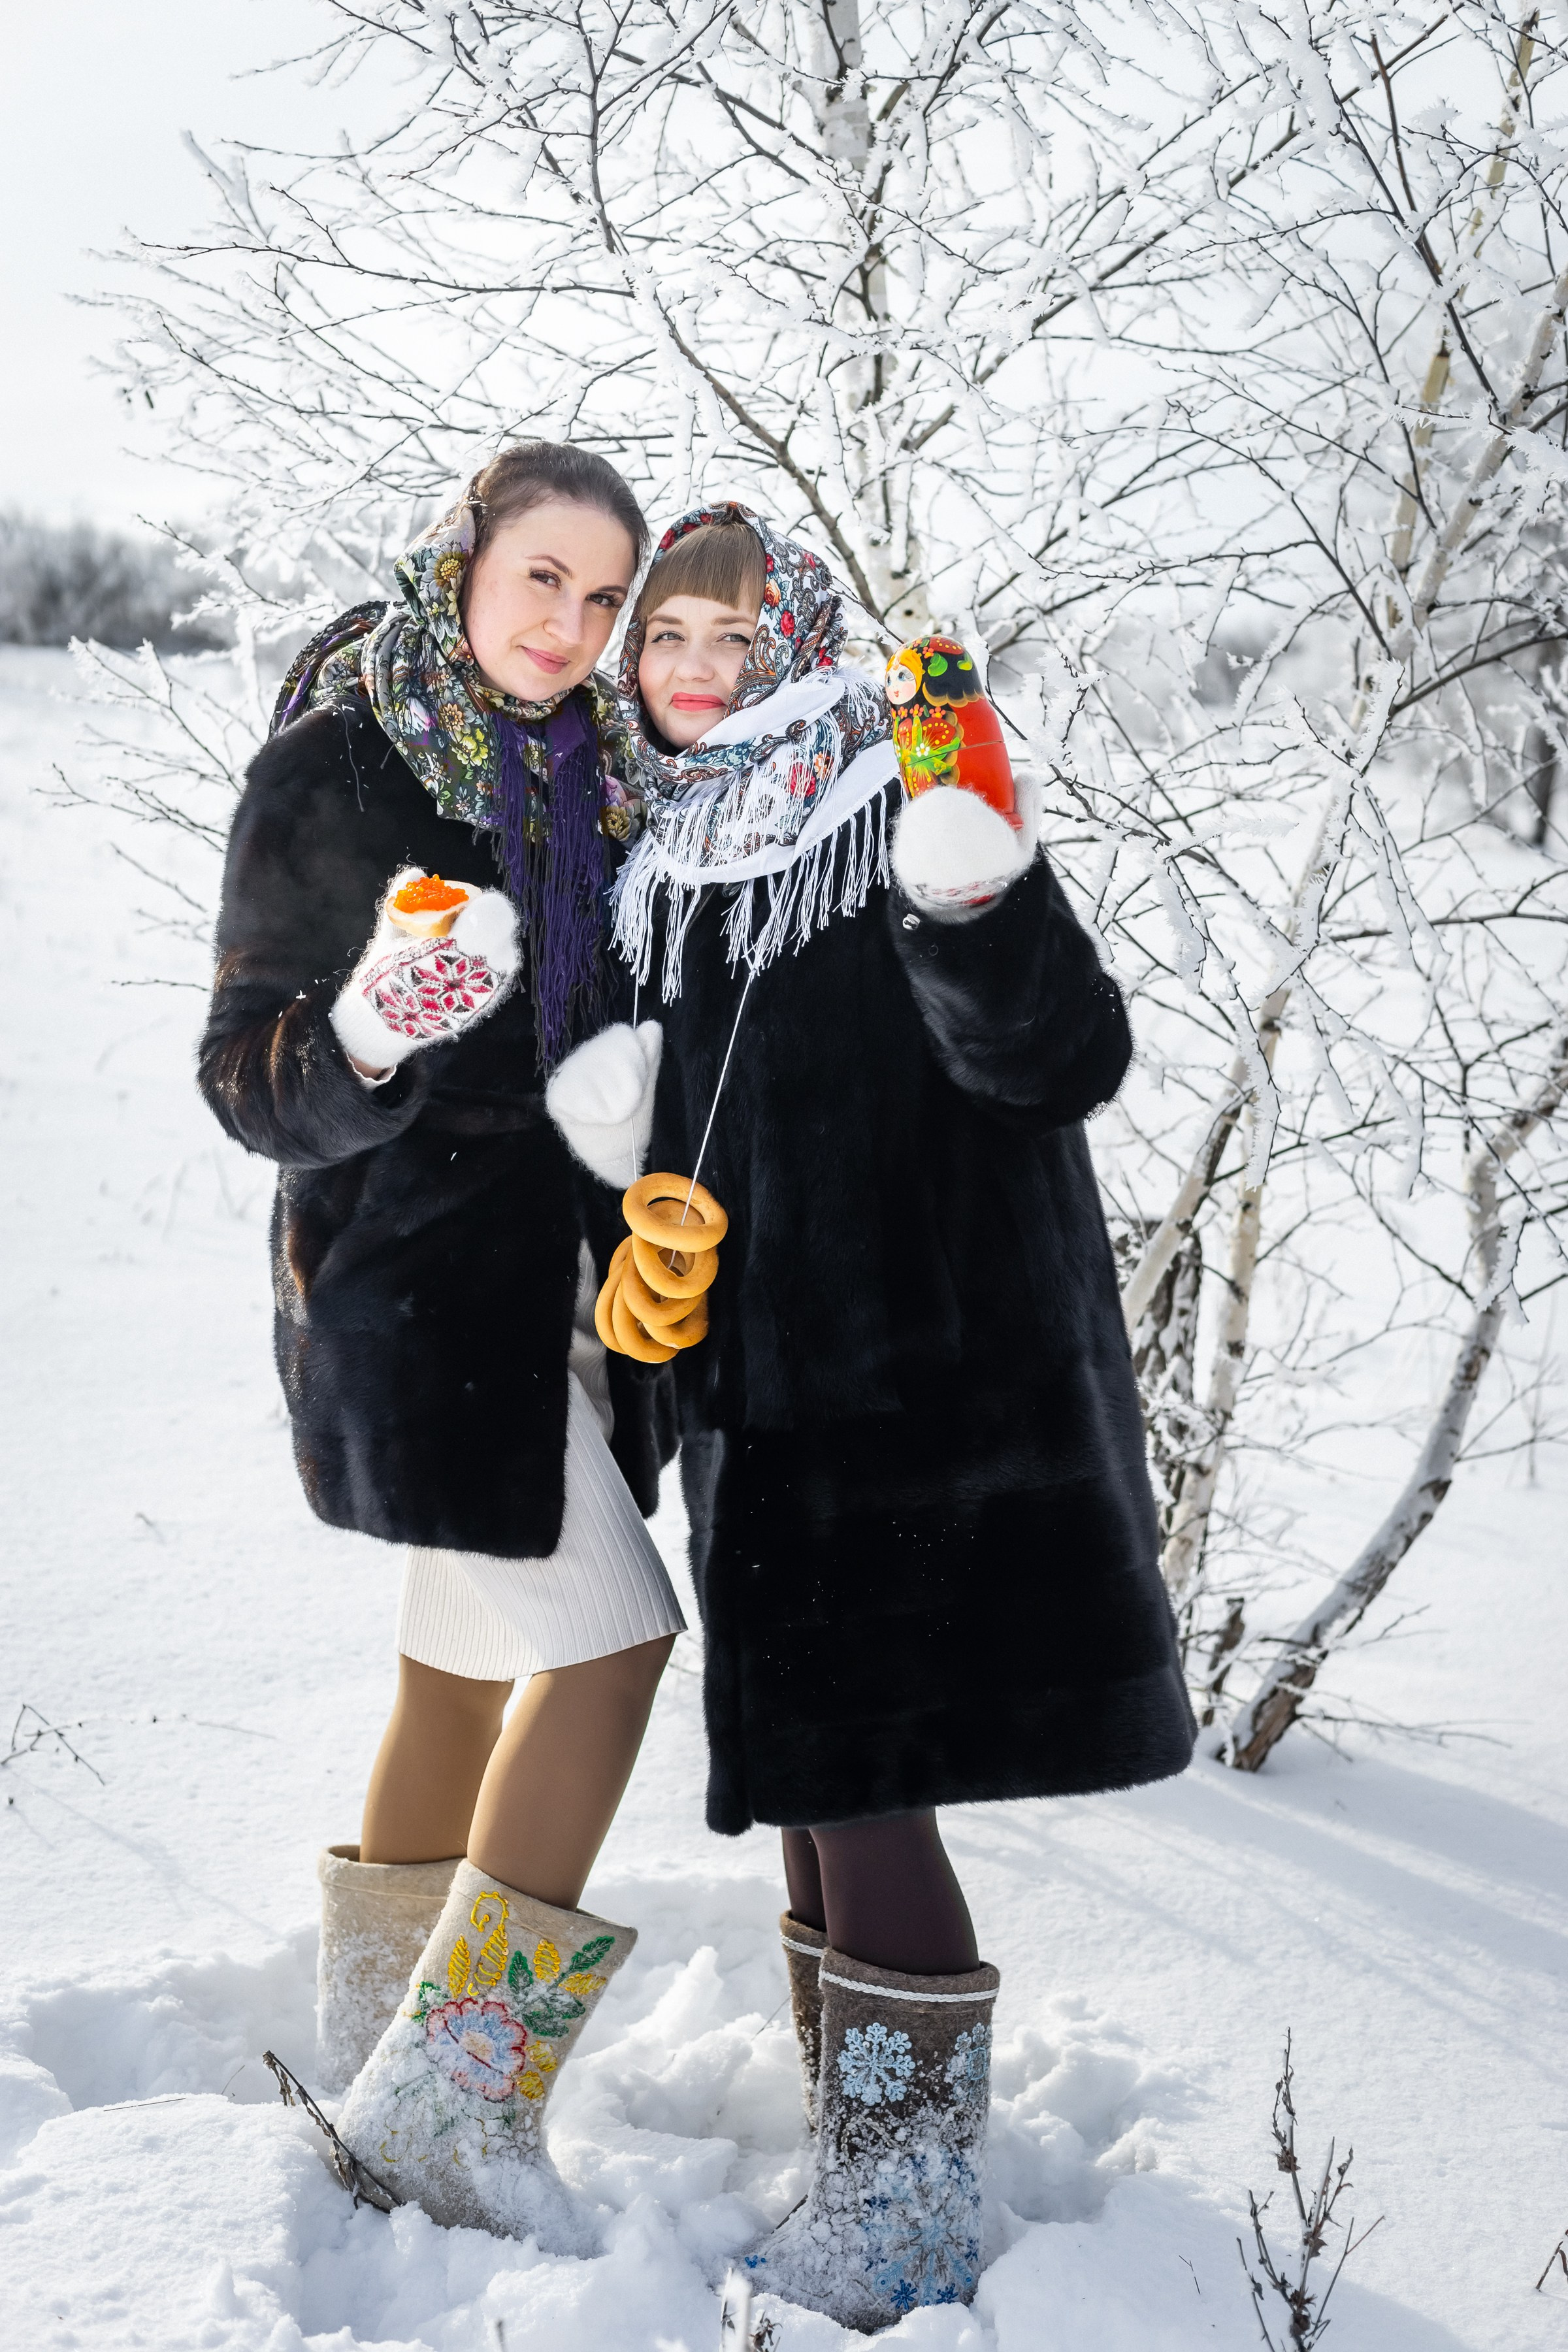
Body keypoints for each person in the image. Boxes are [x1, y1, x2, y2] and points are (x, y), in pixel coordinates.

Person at [591, 503, 1197, 2325]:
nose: (692, 669)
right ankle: (860, 2156)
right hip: (758, 1393)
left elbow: (1058, 1054)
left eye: (725, 632)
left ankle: (907, 2206)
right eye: (663, 639)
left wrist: (973, 899)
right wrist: (644, 1265)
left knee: (869, 1800)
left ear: (795, 638)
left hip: (923, 1392)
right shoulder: (679, 850)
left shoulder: (895, 801)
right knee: (813, 1783)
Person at [197, 442, 684, 2247]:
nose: (569, 625)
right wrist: (369, 1039)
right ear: (467, 561)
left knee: (465, 1671)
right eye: (541, 576)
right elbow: (246, 1078)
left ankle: (368, 2033)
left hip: (557, 1311)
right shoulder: (341, 762)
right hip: (409, 1307)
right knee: (619, 1645)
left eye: (602, 595)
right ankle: (450, 2104)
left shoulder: (599, 784)